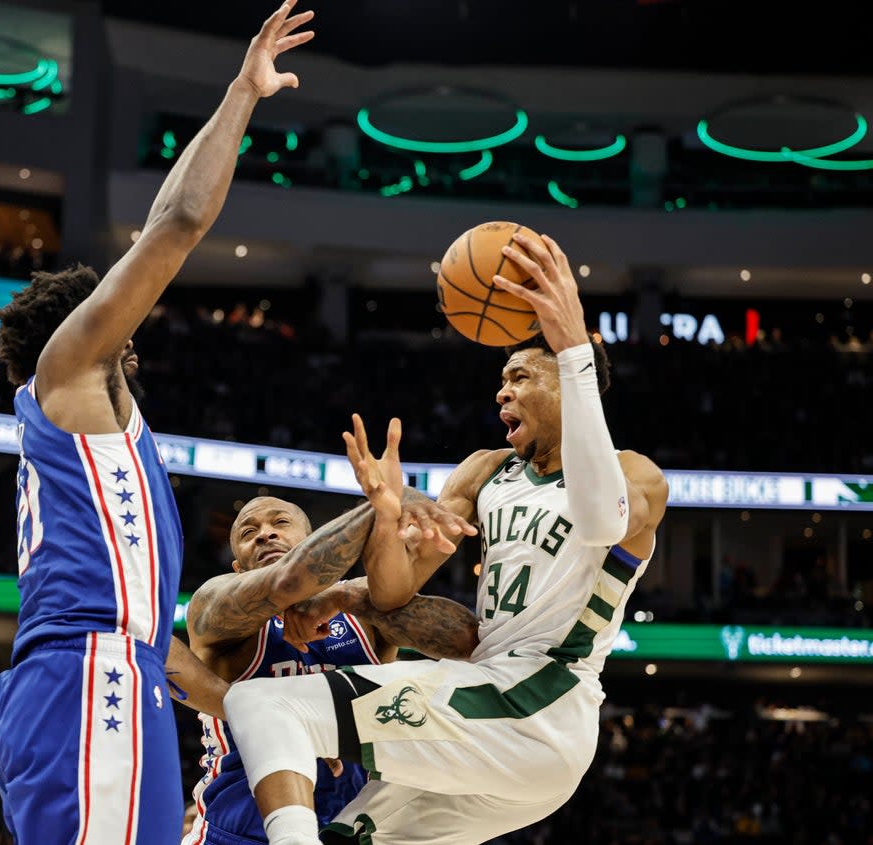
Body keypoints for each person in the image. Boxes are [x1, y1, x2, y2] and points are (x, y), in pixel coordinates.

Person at [0, 4, 316, 843]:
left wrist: (252, 707)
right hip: (89, 675)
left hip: (90, 672)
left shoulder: (77, 420)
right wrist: (242, 94)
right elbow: (176, 224)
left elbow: (159, 219)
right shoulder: (72, 369)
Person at [222, 231, 670, 845]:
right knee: (347, 835)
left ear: (570, 382)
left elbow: (600, 521)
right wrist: (381, 519)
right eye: (501, 379)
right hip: (489, 718)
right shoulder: (485, 472)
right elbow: (394, 590)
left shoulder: (635, 473)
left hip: (541, 704)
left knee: (263, 706)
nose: (501, 391)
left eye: (519, 376)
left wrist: (572, 346)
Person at [182, 496, 480, 845]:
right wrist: (382, 504)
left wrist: (347, 595)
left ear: (311, 542)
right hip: (236, 828)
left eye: (279, 523)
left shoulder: (360, 612)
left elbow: (466, 640)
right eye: (250, 531)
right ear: (237, 569)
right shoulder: (216, 609)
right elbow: (288, 580)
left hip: (347, 825)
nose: (265, 535)